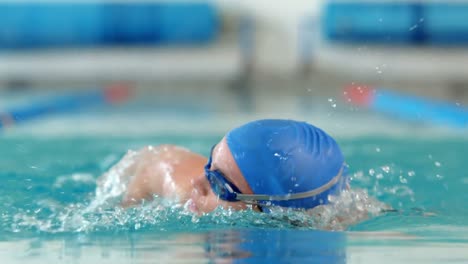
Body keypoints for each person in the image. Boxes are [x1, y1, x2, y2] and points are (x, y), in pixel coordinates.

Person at [100, 119, 348, 214]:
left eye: (218, 184)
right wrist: (126, 205)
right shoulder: (183, 190)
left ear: (266, 208)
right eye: (210, 165)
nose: (198, 182)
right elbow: (156, 162)